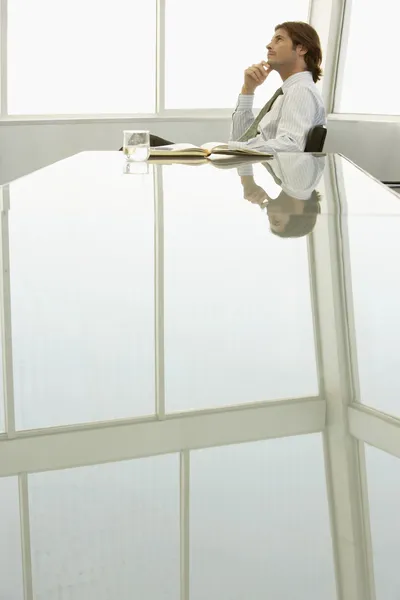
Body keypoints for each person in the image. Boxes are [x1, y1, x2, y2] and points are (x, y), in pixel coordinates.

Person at [229, 21, 326, 154]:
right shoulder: (290, 91)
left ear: (301, 49)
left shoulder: (300, 90)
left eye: (279, 39)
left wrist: (233, 148)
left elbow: (291, 145)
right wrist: (247, 90)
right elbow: (241, 139)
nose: (268, 46)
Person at [239, 153, 326, 238]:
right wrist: (247, 180)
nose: (268, 216)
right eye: (276, 221)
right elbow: (246, 143)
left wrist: (247, 181)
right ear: (299, 211)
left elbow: (245, 146)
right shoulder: (300, 184)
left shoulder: (294, 184)